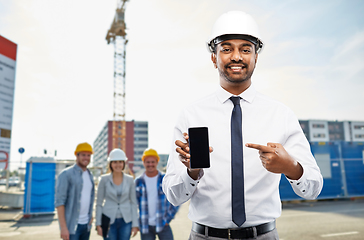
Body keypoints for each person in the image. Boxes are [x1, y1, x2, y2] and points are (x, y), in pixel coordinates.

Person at [162, 11, 323, 240]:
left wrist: (291, 167)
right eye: (226, 49)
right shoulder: (191, 115)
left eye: (245, 49)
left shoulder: (281, 114)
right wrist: (192, 171)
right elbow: (173, 195)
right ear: (213, 58)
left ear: (256, 57)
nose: (236, 56)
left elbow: (313, 188)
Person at [135, 148, 179, 240]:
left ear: (157, 162)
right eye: (147, 162)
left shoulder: (165, 179)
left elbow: (176, 198)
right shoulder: (138, 181)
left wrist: (168, 218)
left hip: (163, 224)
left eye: (152, 162)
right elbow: (133, 203)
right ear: (143, 162)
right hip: (146, 225)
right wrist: (137, 221)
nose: (150, 164)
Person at [96, 148, 139, 240]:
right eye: (115, 162)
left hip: (126, 221)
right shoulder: (103, 180)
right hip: (108, 220)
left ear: (124, 163)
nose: (118, 164)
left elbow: (133, 203)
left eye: (120, 162)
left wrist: (135, 224)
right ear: (110, 164)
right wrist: (98, 224)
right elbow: (99, 204)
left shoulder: (130, 180)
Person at [55, 142, 95, 240]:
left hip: (86, 225)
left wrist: (91, 215)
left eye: (88, 155)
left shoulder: (90, 175)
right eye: (83, 155)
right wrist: (63, 228)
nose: (86, 158)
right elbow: (60, 202)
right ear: (76, 155)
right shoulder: (66, 174)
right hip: (72, 227)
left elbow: (88, 198)